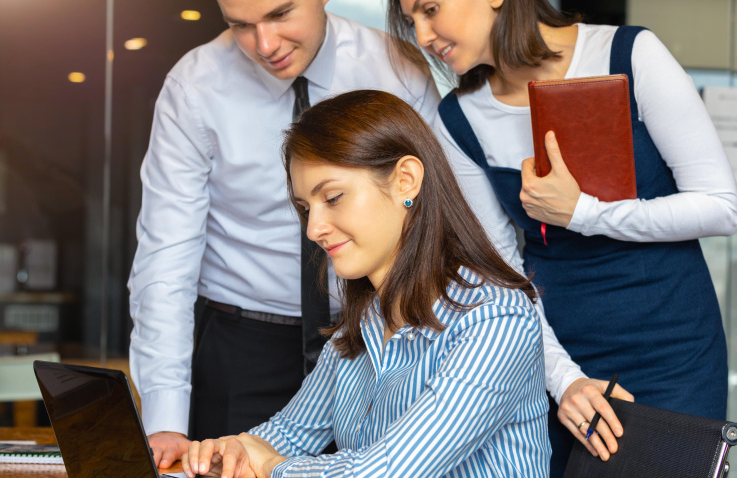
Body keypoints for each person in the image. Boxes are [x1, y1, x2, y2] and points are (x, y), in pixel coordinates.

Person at [388, 0, 737, 475]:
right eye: (411, 21)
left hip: (673, 349)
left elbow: (722, 206)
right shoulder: (459, 120)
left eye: (430, 8)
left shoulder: (628, 54)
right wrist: (566, 381)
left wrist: (584, 213)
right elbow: (503, 274)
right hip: (557, 354)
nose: (423, 34)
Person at [127, 0, 441, 469]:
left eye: (279, 14)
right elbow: (166, 256)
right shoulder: (195, 86)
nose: (266, 44)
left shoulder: (397, 68)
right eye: (241, 26)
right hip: (243, 343)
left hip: (374, 336)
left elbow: (437, 209)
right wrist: (165, 418)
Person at [181, 89, 550, 478]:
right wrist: (232, 453)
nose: (314, 229)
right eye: (306, 208)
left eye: (333, 197)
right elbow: (287, 434)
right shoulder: (365, 322)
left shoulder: (496, 320)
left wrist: (274, 468)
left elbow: (386, 472)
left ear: (406, 180)